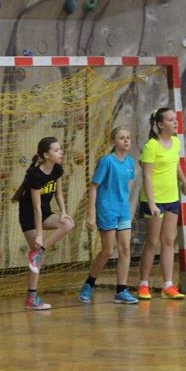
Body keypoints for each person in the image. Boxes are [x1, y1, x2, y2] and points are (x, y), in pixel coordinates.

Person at [12, 137, 75, 310]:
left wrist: (63, 212)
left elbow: (59, 194)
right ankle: (31, 298)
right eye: (56, 150)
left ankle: (37, 253)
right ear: (46, 155)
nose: (61, 152)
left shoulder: (57, 169)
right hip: (29, 217)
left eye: (60, 149)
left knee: (68, 224)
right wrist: (39, 235)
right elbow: (36, 208)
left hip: (46, 213)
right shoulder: (35, 175)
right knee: (38, 258)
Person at [137, 107, 186, 300]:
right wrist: (152, 204)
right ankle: (143, 284)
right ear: (160, 124)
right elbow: (146, 176)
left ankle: (168, 284)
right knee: (153, 241)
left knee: (168, 241)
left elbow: (175, 164)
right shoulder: (151, 146)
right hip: (154, 200)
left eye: (175, 119)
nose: (175, 122)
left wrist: (183, 181)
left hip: (172, 199)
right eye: (170, 120)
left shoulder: (176, 142)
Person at [81, 127, 138, 304]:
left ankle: (121, 289)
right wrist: (91, 214)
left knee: (125, 249)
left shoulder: (130, 162)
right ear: (113, 142)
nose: (126, 140)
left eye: (128, 137)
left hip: (123, 210)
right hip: (107, 209)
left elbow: (124, 186)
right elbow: (93, 187)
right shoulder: (107, 161)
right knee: (107, 251)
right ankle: (89, 283)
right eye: (122, 138)